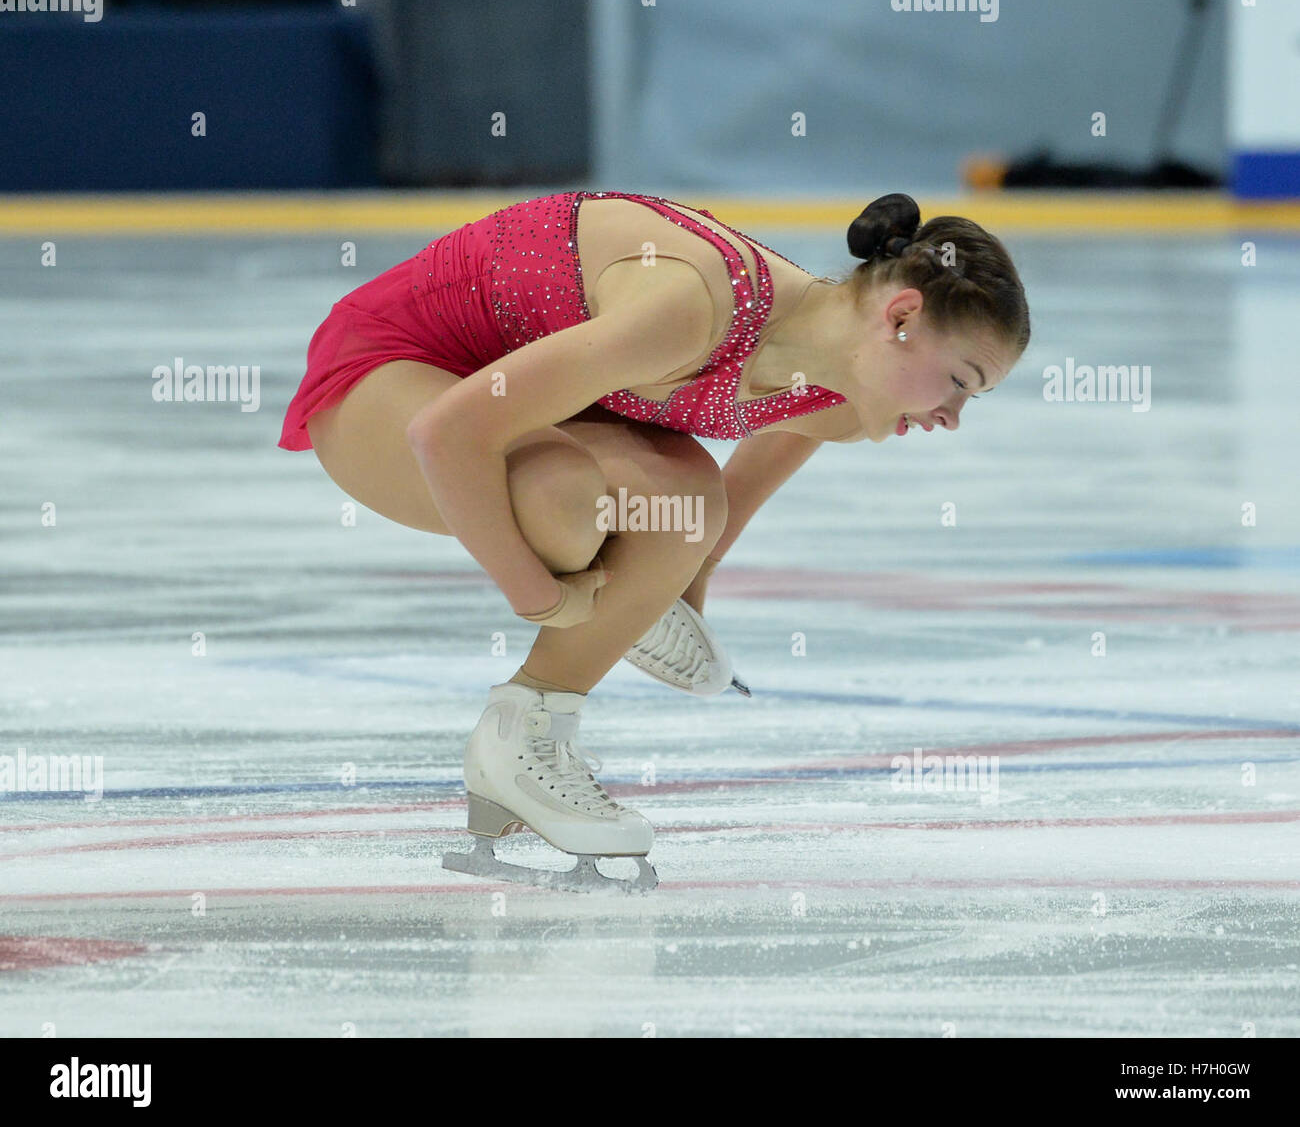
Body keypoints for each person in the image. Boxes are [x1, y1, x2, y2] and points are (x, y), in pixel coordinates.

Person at [278, 190, 1031, 892]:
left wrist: (673, 592)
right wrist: (540, 597)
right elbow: (446, 432)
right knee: (565, 504)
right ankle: (515, 734)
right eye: (960, 381)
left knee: (683, 506)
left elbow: (713, 517)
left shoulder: (835, 389)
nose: (952, 416)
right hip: (390, 372)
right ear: (900, 317)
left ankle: (529, 733)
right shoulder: (691, 304)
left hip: (502, 402)